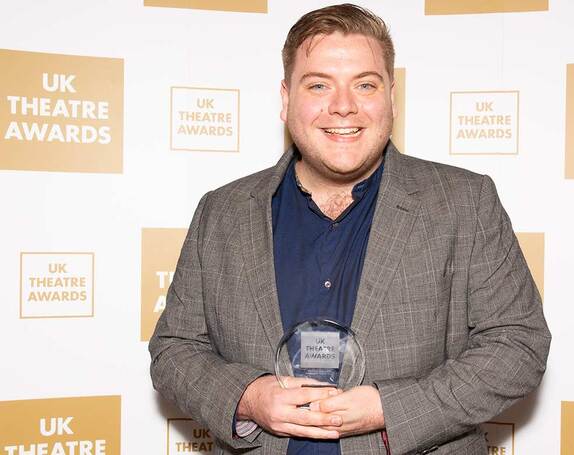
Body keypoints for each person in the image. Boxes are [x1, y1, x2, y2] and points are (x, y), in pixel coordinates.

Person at [149, 4, 551, 454]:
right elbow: (173, 350)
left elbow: (519, 346)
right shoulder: (220, 212)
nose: (343, 106)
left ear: (392, 98)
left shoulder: (464, 202)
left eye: (365, 84)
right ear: (285, 100)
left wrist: (389, 408)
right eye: (319, 84)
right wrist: (248, 396)